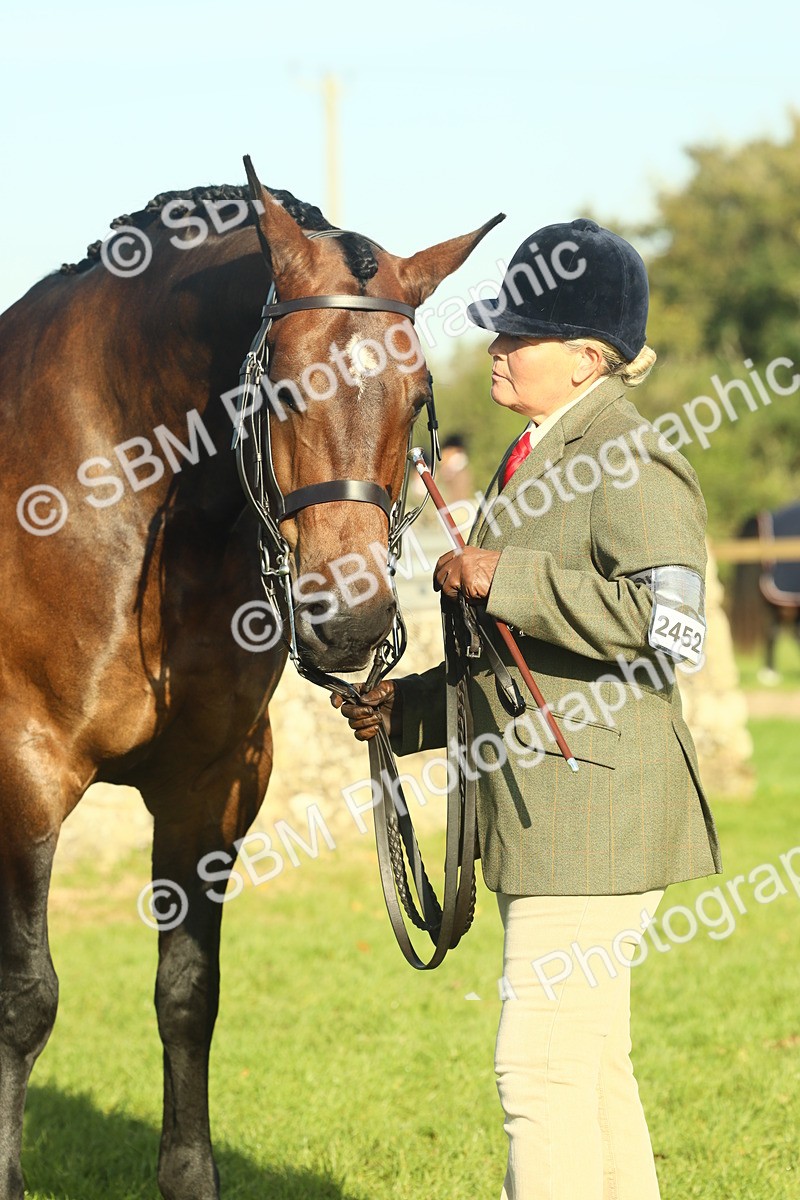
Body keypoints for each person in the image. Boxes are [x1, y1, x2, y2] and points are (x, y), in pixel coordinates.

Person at [332, 218, 722, 1200]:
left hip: (595, 815)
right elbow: (514, 665)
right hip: (543, 814)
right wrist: (406, 712)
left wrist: (508, 575)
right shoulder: (535, 451)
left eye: (518, 334)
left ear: (585, 356)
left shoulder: (628, 454)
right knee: (589, 1072)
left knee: (536, 1071)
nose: (495, 346)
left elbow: (672, 631)